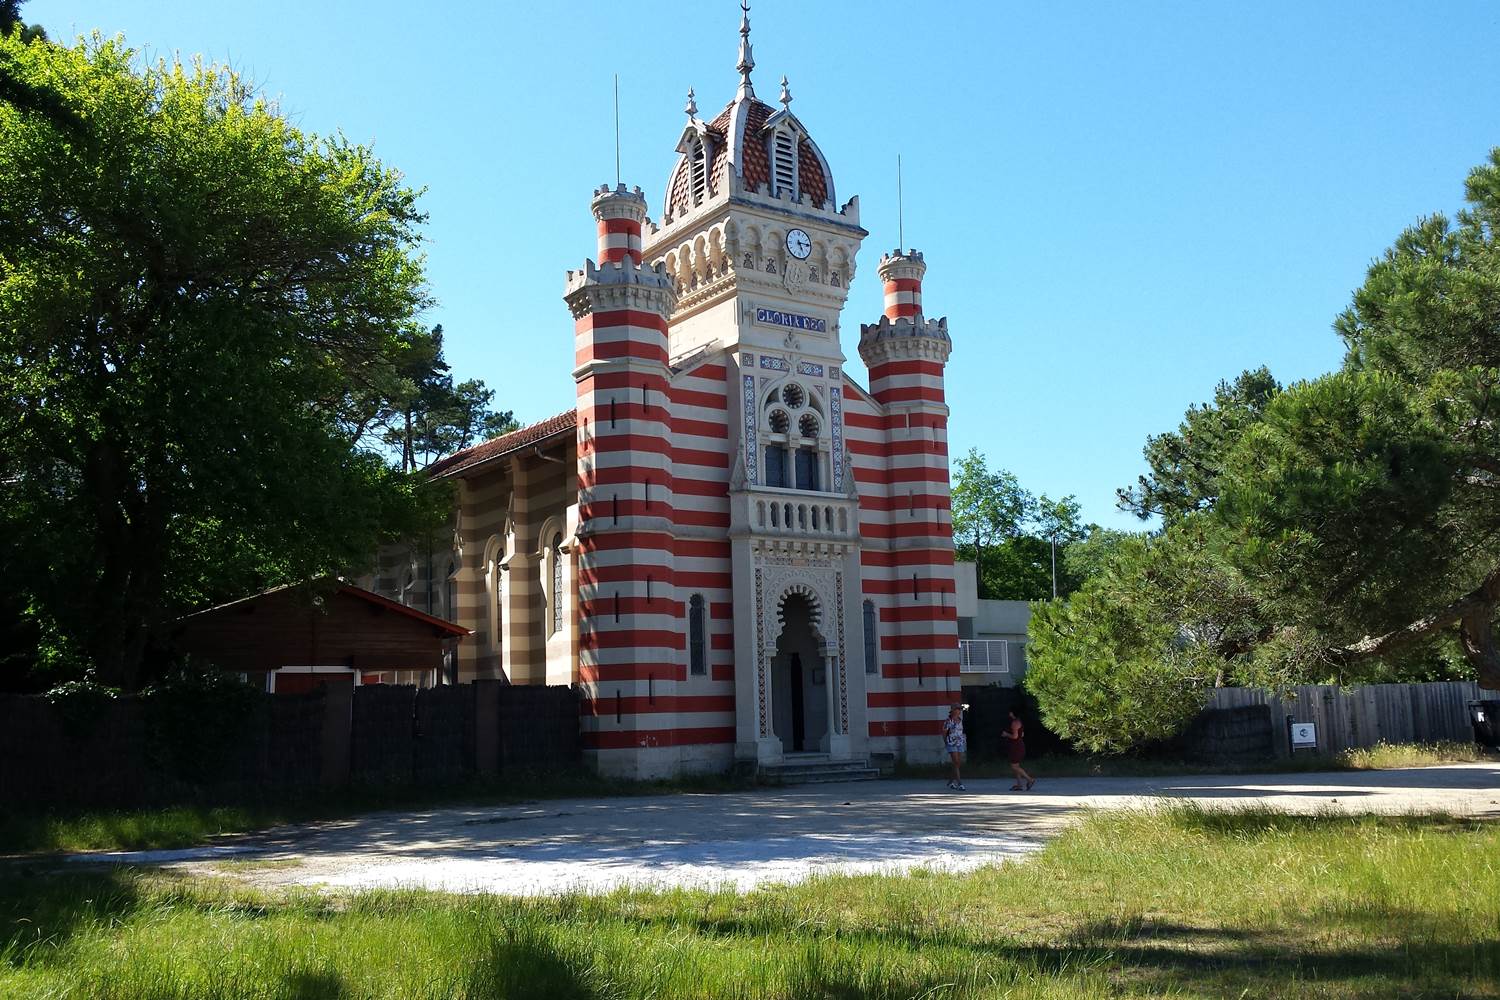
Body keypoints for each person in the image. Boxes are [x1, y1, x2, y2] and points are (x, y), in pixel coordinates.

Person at [1001, 707, 1036, 791]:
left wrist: (1006, 734)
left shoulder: (1015, 723)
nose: (1009, 713)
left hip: (1016, 747)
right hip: (1019, 745)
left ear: (1013, 713)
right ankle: (1019, 784)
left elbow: (1015, 736)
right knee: (1016, 766)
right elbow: (1022, 734)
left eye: (1010, 712)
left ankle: (1030, 780)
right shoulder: (1019, 721)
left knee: (1014, 766)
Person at [942, 703, 967, 790]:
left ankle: (951, 781)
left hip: (959, 743)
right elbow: (944, 732)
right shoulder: (948, 721)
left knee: (958, 763)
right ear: (953, 710)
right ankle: (960, 783)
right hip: (951, 743)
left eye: (960, 709)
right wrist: (946, 742)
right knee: (956, 762)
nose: (959, 711)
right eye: (957, 709)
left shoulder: (960, 720)